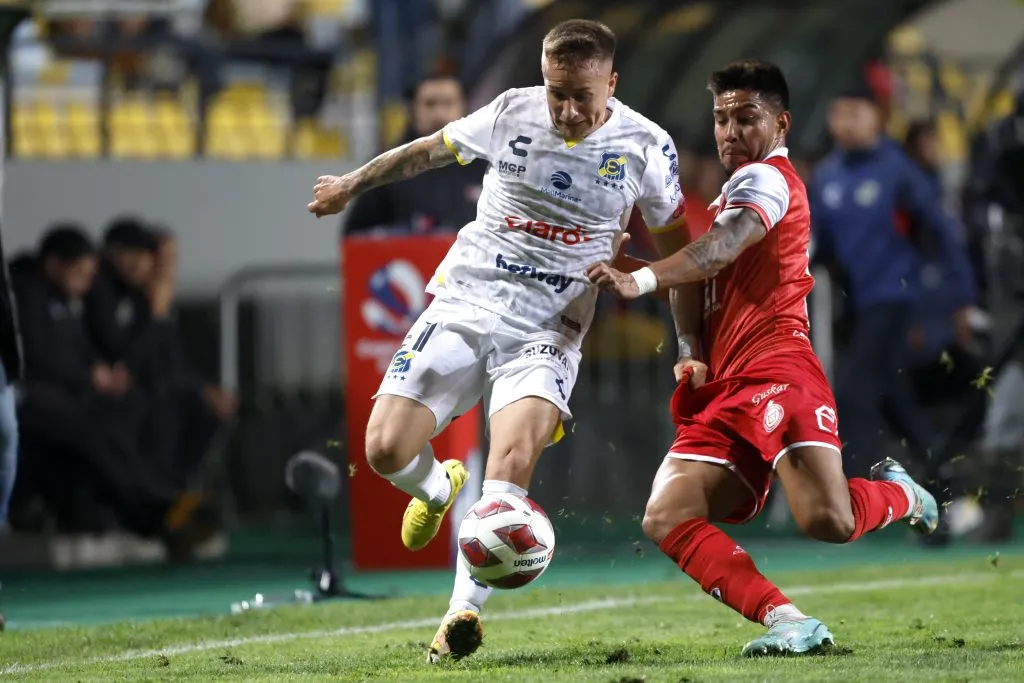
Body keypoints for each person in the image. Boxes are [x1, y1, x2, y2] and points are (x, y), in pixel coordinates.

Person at [308, 19, 689, 663]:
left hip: (550, 327)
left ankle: (459, 615)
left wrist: (683, 335)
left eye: (582, 97)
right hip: (467, 298)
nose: (566, 110)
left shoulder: (647, 147)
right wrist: (351, 182)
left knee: (509, 462)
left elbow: (683, 251)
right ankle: (435, 488)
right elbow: (426, 150)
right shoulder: (512, 110)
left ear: (612, 84)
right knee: (382, 448)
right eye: (556, 93)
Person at [586, 60, 939, 657]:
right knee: (667, 515)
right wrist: (691, 348)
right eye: (721, 118)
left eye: (745, 117)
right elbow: (696, 276)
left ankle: (904, 494)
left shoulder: (770, 180)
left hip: (779, 371)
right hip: (726, 383)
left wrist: (639, 279)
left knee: (828, 521)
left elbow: (718, 251)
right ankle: (788, 621)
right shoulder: (730, 189)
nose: (729, 131)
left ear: (781, 123)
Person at [810, 87, 977, 482]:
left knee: (853, 391)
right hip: (856, 304)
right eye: (839, 111)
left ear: (877, 118)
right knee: (891, 396)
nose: (846, 122)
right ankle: (946, 480)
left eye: (856, 111)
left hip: (896, 296)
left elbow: (942, 235)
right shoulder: (827, 177)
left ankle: (854, 496)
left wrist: (961, 298)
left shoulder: (898, 171)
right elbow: (815, 245)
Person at [342, 75, 486, 236]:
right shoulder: (387, 166)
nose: (439, 114)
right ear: (413, 111)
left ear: (464, 108)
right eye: (429, 104)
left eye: (448, 103)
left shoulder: (487, 164)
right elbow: (355, 237)